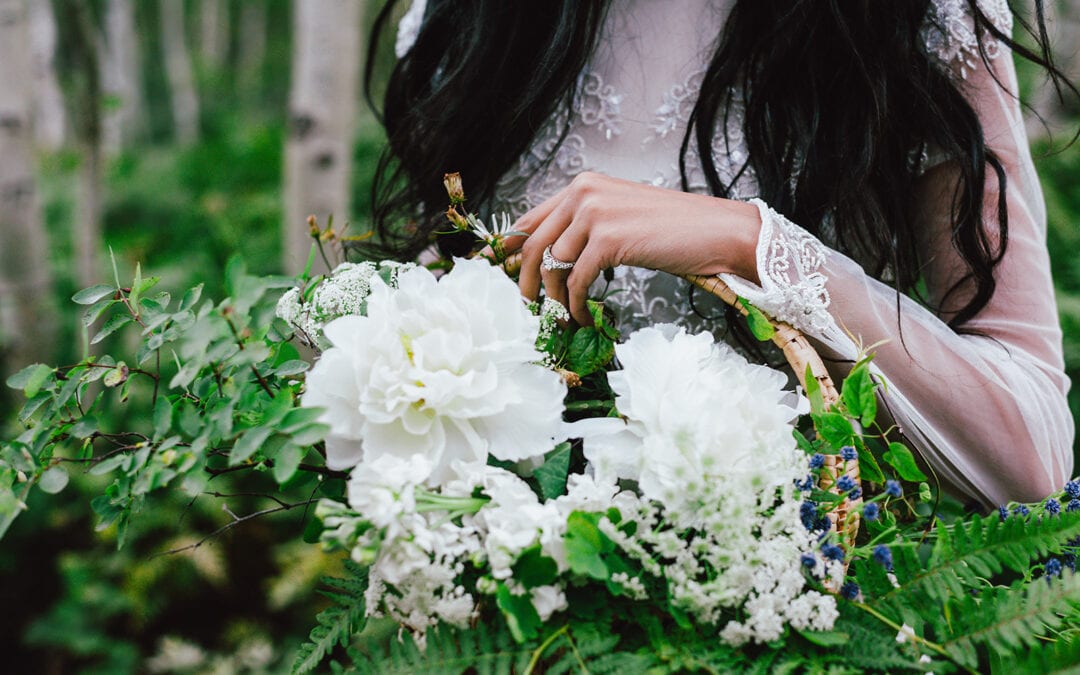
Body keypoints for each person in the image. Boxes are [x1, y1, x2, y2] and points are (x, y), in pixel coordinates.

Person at [366, 0, 1077, 507]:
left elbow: (1031, 454)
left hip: (802, 618)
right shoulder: (461, 23)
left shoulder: (910, 19)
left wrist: (758, 248)